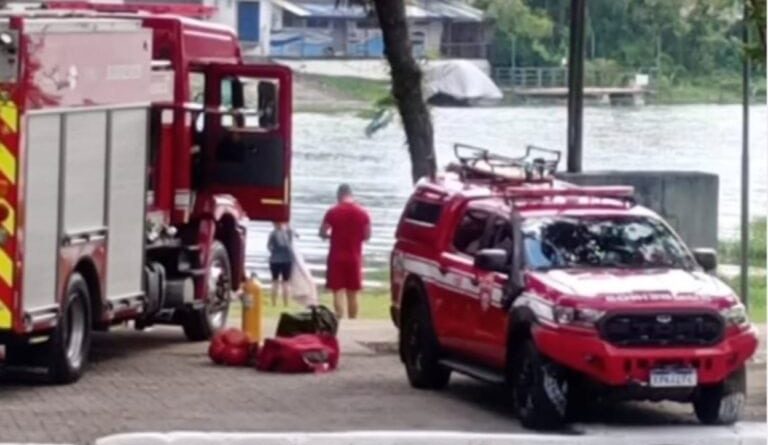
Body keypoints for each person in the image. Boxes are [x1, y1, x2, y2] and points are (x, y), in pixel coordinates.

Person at [319, 184, 371, 319]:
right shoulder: (363, 213)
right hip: (354, 257)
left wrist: (331, 236)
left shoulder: (332, 212)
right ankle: (352, 322)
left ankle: (339, 319)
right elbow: (367, 236)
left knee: (337, 292)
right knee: (352, 294)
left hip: (336, 257)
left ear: (338, 195)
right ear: (351, 195)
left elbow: (322, 232)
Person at [267, 221, 295, 307]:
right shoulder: (288, 232)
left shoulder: (272, 234)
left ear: (274, 224)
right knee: (286, 282)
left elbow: (269, 247)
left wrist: (274, 252)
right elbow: (290, 244)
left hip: (274, 260)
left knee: (274, 282)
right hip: (287, 260)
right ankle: (286, 304)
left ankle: (273, 303)